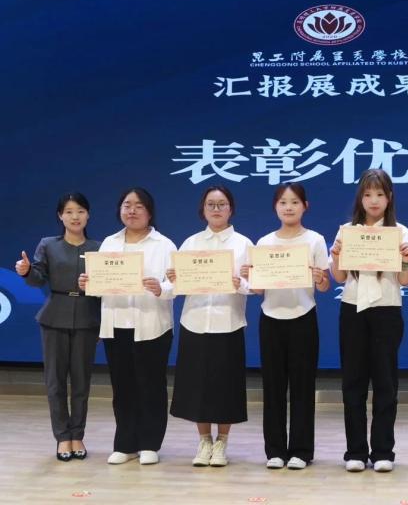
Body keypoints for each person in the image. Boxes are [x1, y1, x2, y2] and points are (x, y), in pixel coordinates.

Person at [330, 169, 408, 472]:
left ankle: (383, 451)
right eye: (368, 194)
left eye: (380, 194)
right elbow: (339, 276)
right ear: (360, 198)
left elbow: (406, 280)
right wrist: (336, 256)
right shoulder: (347, 231)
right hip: (352, 309)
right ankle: (355, 451)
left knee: (385, 383)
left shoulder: (400, 233)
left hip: (386, 311)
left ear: (389, 197)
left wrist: (404, 260)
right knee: (353, 383)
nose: (374, 200)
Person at [79, 187, 174, 466]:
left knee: (151, 386)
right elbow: (100, 283)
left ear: (150, 212)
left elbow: (177, 283)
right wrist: (88, 284)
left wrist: (161, 288)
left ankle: (150, 443)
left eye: (139, 206)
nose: (132, 211)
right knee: (122, 387)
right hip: (116, 323)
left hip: (152, 324)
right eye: (127, 205)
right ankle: (125, 443)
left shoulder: (164, 245)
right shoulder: (109, 243)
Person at [247, 182, 330, 470]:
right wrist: (251, 277)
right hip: (271, 318)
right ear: (275, 207)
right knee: (273, 387)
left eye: (295, 202)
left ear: (305, 206)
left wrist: (320, 278)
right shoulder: (264, 242)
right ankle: (275, 450)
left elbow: (324, 285)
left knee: (303, 387)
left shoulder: (315, 240)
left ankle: (301, 451)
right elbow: (257, 290)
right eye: (283, 202)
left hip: (303, 317)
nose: (289, 207)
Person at [168, 186, 251, 467]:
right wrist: (173, 278)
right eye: (211, 204)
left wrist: (241, 284)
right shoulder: (190, 243)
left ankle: (222, 442)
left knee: (226, 386)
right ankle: (204, 441)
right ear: (203, 209)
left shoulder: (243, 244)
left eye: (222, 204)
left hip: (228, 322)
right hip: (195, 321)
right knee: (197, 386)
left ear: (231, 209)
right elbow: (175, 286)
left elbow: (256, 285)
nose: (216, 209)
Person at [15, 192, 101, 461]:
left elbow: (108, 288)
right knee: (55, 381)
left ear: (88, 215)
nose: (75, 217)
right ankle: (63, 437)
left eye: (80, 211)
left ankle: (78, 435)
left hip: (87, 317)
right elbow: (37, 278)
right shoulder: (48, 245)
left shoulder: (99, 248)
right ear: (60, 216)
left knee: (82, 381)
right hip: (54, 316)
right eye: (69, 212)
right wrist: (26, 271)